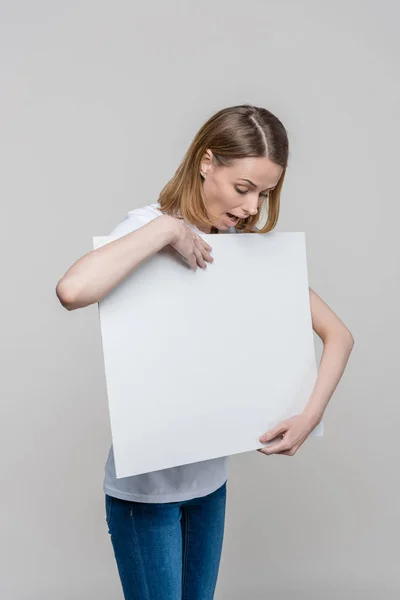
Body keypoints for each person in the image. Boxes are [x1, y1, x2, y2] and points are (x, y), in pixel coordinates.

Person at [55, 104, 354, 599]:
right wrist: (169, 230)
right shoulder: (146, 227)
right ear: (206, 162)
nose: (253, 206)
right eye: (243, 189)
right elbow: (73, 291)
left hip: (209, 487)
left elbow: (338, 334)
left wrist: (309, 415)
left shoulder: (240, 248)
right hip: (145, 494)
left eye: (265, 192)